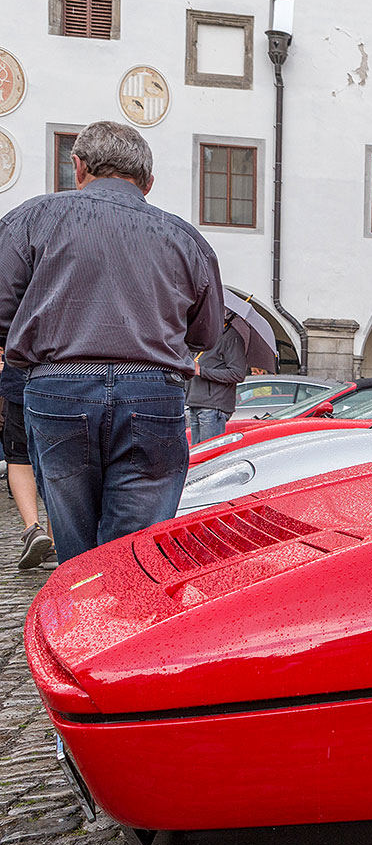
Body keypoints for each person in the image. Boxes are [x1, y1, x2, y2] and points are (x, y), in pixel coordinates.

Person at [0, 120, 222, 564]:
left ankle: (82, 614)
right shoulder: (184, 237)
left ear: (77, 167)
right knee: (135, 554)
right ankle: (128, 622)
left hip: (58, 389)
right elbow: (206, 334)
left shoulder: (32, 218)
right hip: (151, 392)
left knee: (76, 546)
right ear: (148, 183)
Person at [0, 357, 54, 570]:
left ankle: (33, 528)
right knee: (57, 460)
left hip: (21, 380)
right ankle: (55, 543)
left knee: (20, 459)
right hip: (63, 381)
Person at [186, 315, 248, 444]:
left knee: (208, 454)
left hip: (213, 406)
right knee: (197, 455)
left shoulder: (231, 338)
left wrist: (202, 371)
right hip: (196, 403)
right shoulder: (205, 337)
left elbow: (238, 374)